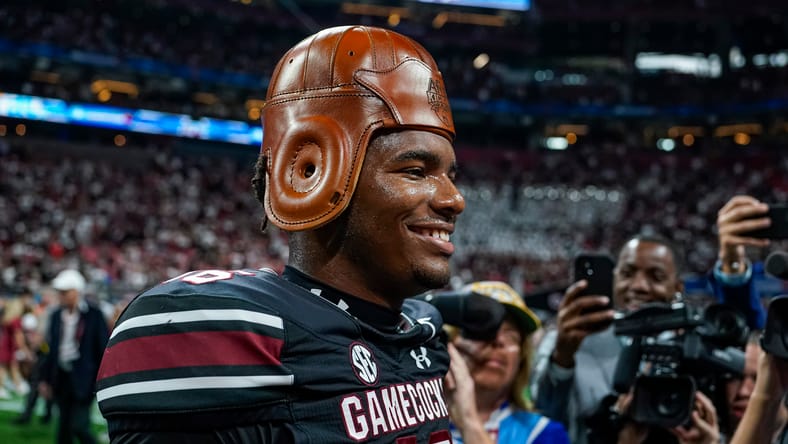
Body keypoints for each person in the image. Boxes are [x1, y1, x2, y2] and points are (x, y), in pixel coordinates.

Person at [96, 25, 465, 443]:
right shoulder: (233, 330)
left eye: (451, 176)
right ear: (311, 173)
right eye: (416, 171)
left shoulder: (420, 331)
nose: (454, 199)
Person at [531, 227, 764, 444]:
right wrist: (562, 358)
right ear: (614, 280)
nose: (639, 286)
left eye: (656, 276)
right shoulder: (569, 340)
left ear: (678, 289)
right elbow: (544, 421)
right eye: (628, 273)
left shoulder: (700, 351)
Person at [443, 281, 569, 443]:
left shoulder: (544, 433)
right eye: (482, 328)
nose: (498, 341)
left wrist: (468, 421)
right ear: (450, 342)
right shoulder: (410, 422)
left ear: (521, 360)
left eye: (511, 335)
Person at [40, 269, 109, 444]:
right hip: (61, 377)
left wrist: (100, 380)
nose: (61, 295)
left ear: (76, 291)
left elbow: (102, 349)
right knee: (63, 426)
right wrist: (45, 379)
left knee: (79, 425)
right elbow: (52, 350)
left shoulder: (94, 315)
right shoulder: (56, 315)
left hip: (84, 379)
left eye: (64, 292)